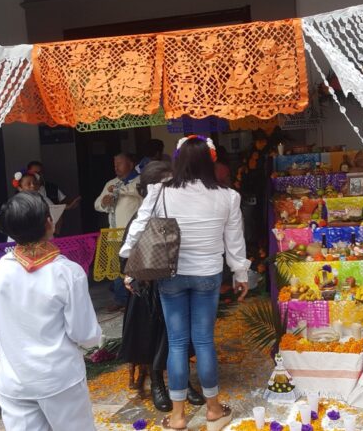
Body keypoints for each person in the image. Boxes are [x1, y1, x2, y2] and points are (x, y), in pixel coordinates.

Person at [120, 135, 250, 431]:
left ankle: (178, 417)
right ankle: (213, 410)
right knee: (203, 341)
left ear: (177, 161)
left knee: (177, 343)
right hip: (208, 275)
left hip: (172, 275)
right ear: (211, 161)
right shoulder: (228, 196)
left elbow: (139, 226)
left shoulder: (160, 191)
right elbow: (235, 241)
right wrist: (240, 274)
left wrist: (128, 261)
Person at [0, 192, 101, 431]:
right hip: (59, 379)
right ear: (49, 222)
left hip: (13, 380)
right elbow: (84, 334)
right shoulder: (67, 272)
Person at [118, 161, 205, 412]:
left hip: (177, 282)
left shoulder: (180, 213)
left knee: (179, 333)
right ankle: (157, 381)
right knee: (156, 331)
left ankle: (183, 381)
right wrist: (133, 277)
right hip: (148, 291)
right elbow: (125, 259)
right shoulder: (140, 218)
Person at [95, 153, 143, 312]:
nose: (116, 167)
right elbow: (97, 204)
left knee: (134, 268)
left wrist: (119, 190)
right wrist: (104, 202)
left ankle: (135, 301)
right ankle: (120, 300)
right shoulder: (111, 183)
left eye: (120, 163)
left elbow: (139, 192)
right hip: (114, 234)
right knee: (117, 269)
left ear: (131, 164)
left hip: (133, 235)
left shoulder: (140, 181)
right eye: (114, 164)